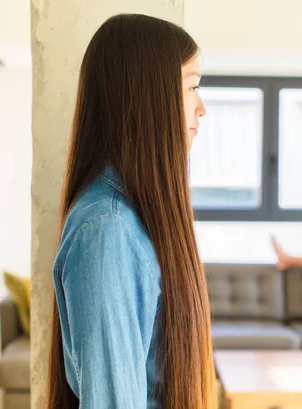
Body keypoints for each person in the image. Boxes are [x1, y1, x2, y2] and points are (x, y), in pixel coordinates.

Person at [47, 15, 216, 409]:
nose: (202, 108)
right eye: (192, 86)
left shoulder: (129, 219)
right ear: (148, 96)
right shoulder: (107, 231)